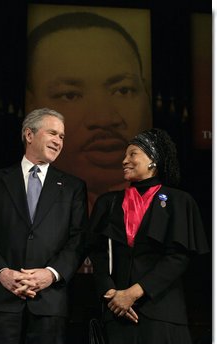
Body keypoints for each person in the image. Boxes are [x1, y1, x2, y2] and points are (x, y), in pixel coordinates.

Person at [0, 108, 89, 344]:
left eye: (62, 137)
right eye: (53, 133)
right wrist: (2, 273)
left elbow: (79, 239)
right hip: (1, 301)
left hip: (50, 304)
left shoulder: (73, 187)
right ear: (29, 134)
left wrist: (50, 274)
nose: (58, 141)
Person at [87, 128, 209, 344]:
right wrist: (112, 294)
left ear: (153, 159)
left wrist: (133, 294)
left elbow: (178, 257)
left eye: (132, 154)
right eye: (125, 155)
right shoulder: (108, 202)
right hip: (116, 314)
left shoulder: (179, 201)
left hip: (162, 313)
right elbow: (98, 254)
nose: (124, 160)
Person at [26, 11, 152, 211]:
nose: (104, 119)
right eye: (70, 95)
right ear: (31, 107)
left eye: (123, 90)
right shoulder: (16, 202)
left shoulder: (171, 207)